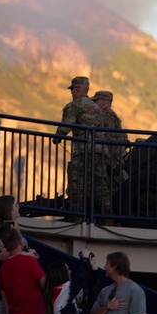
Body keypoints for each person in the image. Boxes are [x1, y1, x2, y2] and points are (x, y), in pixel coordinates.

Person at [53, 77, 105, 216]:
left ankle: (76, 216)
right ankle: (103, 217)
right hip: (101, 151)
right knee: (98, 186)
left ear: (77, 89)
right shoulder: (96, 107)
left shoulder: (75, 105)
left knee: (77, 184)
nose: (71, 93)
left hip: (84, 151)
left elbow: (66, 126)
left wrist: (57, 137)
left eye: (72, 90)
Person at [90, 91, 130, 219]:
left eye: (97, 101)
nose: (95, 103)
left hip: (110, 159)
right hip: (112, 157)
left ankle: (108, 216)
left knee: (107, 188)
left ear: (105, 102)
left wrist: (109, 158)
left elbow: (109, 138)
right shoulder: (109, 115)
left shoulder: (107, 115)